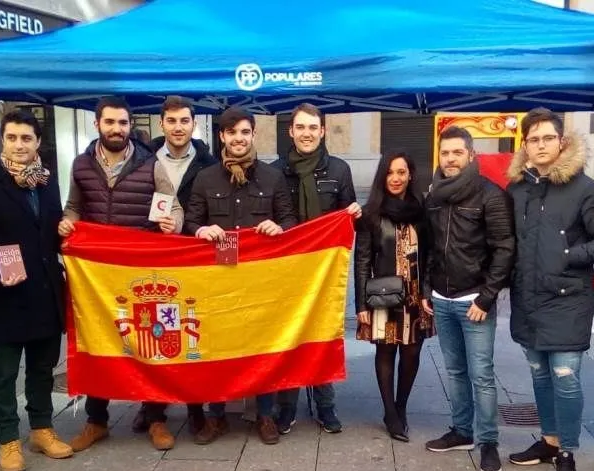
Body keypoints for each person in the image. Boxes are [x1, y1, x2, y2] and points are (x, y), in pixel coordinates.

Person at [504, 108, 594, 471]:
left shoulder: (583, 188)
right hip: (528, 298)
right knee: (539, 374)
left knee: (565, 376)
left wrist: (570, 255)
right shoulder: (517, 189)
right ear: (525, 145)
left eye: (547, 138)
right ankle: (550, 441)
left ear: (561, 141)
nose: (541, 145)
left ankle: (568, 452)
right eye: (533, 139)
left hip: (568, 299)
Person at [61, 96, 184, 453]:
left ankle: (155, 417)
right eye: (110, 122)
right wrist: (67, 223)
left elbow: (173, 206)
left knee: (150, 340)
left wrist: (172, 224)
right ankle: (96, 420)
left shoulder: (151, 164)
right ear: (97, 124)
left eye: (123, 123)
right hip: (98, 274)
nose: (117, 129)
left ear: (131, 125)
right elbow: (74, 206)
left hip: (141, 270)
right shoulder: (82, 164)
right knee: (98, 340)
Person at [0, 109, 72, 471]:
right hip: (6, 295)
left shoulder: (47, 181)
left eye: (26, 138)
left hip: (45, 291)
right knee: (5, 372)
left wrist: (65, 229)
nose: (19, 145)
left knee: (42, 368)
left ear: (38, 142)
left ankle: (41, 428)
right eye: (12, 138)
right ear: (3, 140)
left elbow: (50, 231)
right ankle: (8, 438)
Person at [183, 106, 297, 445]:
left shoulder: (272, 177)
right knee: (218, 349)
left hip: (261, 282)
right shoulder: (205, 178)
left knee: (263, 348)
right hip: (219, 281)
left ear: (253, 134)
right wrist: (201, 230)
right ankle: (216, 415)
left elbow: (290, 219)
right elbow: (190, 221)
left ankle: (265, 414)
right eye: (232, 132)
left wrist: (279, 226)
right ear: (222, 136)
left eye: (245, 132)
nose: (239, 138)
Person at [420, 127, 515, 471]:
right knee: (455, 371)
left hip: (474, 301)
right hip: (441, 299)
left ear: (471, 155)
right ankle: (462, 431)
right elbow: (430, 247)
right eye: (445, 153)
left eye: (457, 153)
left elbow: (505, 249)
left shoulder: (491, 195)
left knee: (482, 375)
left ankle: (488, 441)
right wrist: (427, 289)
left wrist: (487, 298)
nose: (450, 159)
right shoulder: (434, 195)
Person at [271, 103, 362, 434]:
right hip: (287, 271)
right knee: (289, 337)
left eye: (313, 127)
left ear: (322, 131)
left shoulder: (339, 170)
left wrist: (353, 213)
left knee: (323, 336)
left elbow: (348, 218)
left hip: (323, 272)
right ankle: (287, 407)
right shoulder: (275, 171)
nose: (306, 133)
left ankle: (326, 406)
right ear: (291, 131)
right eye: (301, 127)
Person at [131, 96, 219, 436]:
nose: (178, 127)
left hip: (193, 259)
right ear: (162, 123)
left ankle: (196, 408)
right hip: (152, 256)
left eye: (184, 121)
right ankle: (153, 407)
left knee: (191, 333)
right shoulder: (143, 160)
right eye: (172, 121)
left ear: (193, 124)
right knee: (154, 331)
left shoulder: (209, 163)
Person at [354, 150, 430, 443]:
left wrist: (429, 291)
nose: (395, 178)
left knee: (412, 353)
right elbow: (362, 260)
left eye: (401, 172)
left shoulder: (423, 210)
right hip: (383, 296)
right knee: (385, 352)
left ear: (410, 175)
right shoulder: (370, 214)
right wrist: (360, 303)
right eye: (389, 172)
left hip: (416, 296)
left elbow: (432, 255)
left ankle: (401, 407)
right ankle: (389, 412)